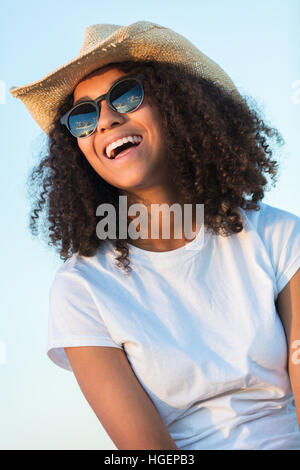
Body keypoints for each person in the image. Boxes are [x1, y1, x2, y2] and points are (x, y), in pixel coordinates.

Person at [10, 21, 300, 450]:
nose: (106, 119)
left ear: (176, 105)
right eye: (84, 116)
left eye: (126, 95)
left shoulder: (276, 235)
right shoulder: (82, 290)